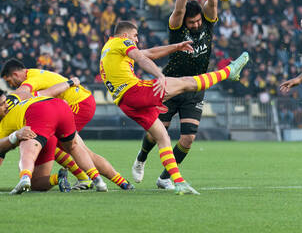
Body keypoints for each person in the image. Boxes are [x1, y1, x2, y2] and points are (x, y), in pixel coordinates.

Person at [100, 21, 249, 194]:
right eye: (135, 36)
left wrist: (176, 46)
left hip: (125, 103)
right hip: (134, 92)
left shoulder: (109, 47)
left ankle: (178, 182)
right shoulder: (122, 42)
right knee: (188, 83)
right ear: (125, 35)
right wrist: (159, 75)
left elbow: (149, 53)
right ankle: (229, 71)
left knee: (163, 136)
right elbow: (142, 58)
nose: (137, 40)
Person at [132, 0, 220, 189]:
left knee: (188, 138)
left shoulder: (207, 23)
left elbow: (212, 2)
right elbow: (180, 9)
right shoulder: (177, 27)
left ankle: (164, 177)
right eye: (192, 22)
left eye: (198, 21)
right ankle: (141, 158)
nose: (195, 25)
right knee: (158, 131)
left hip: (195, 88)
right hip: (170, 86)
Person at [0, 60, 134, 191]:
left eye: (9, 81)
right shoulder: (35, 75)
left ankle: (84, 178)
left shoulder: (30, 81)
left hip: (76, 104)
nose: (11, 85)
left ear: (16, 74)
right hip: (68, 104)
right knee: (71, 146)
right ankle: (119, 181)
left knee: (67, 145)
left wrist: (13, 98)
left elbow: (26, 93)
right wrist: (69, 82)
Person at [0, 90, 107, 195]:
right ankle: (97, 180)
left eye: (5, 102)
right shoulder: (16, 100)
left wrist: (14, 136)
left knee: (26, 143)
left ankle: (25, 177)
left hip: (41, 116)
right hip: (58, 110)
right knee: (72, 147)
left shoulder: (6, 118)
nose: (6, 106)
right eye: (2, 104)